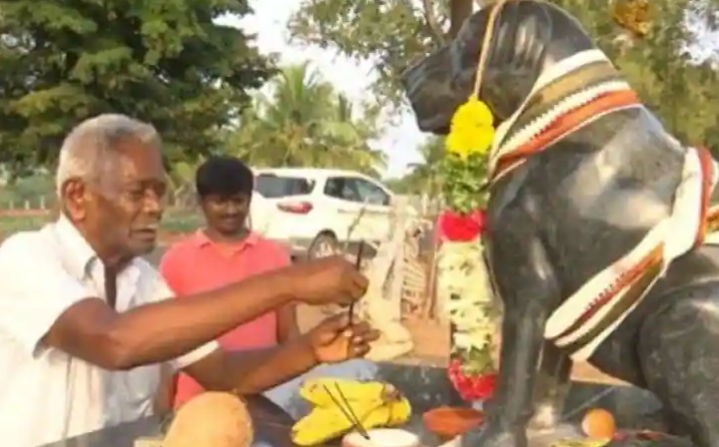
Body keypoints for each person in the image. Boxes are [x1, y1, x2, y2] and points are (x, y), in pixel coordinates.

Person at [0, 114, 378, 447]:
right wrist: (289, 282)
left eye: (159, 191)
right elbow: (114, 341)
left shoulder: (145, 282)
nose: (155, 206)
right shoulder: (26, 258)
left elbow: (222, 374)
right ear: (78, 196)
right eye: (137, 192)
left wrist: (311, 350)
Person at [159, 156, 299, 408]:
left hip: (263, 401)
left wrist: (294, 395)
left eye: (238, 201)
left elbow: (289, 336)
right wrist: (164, 411)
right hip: (195, 404)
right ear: (202, 203)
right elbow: (165, 350)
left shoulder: (274, 257)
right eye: (219, 202)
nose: (231, 210)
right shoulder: (175, 261)